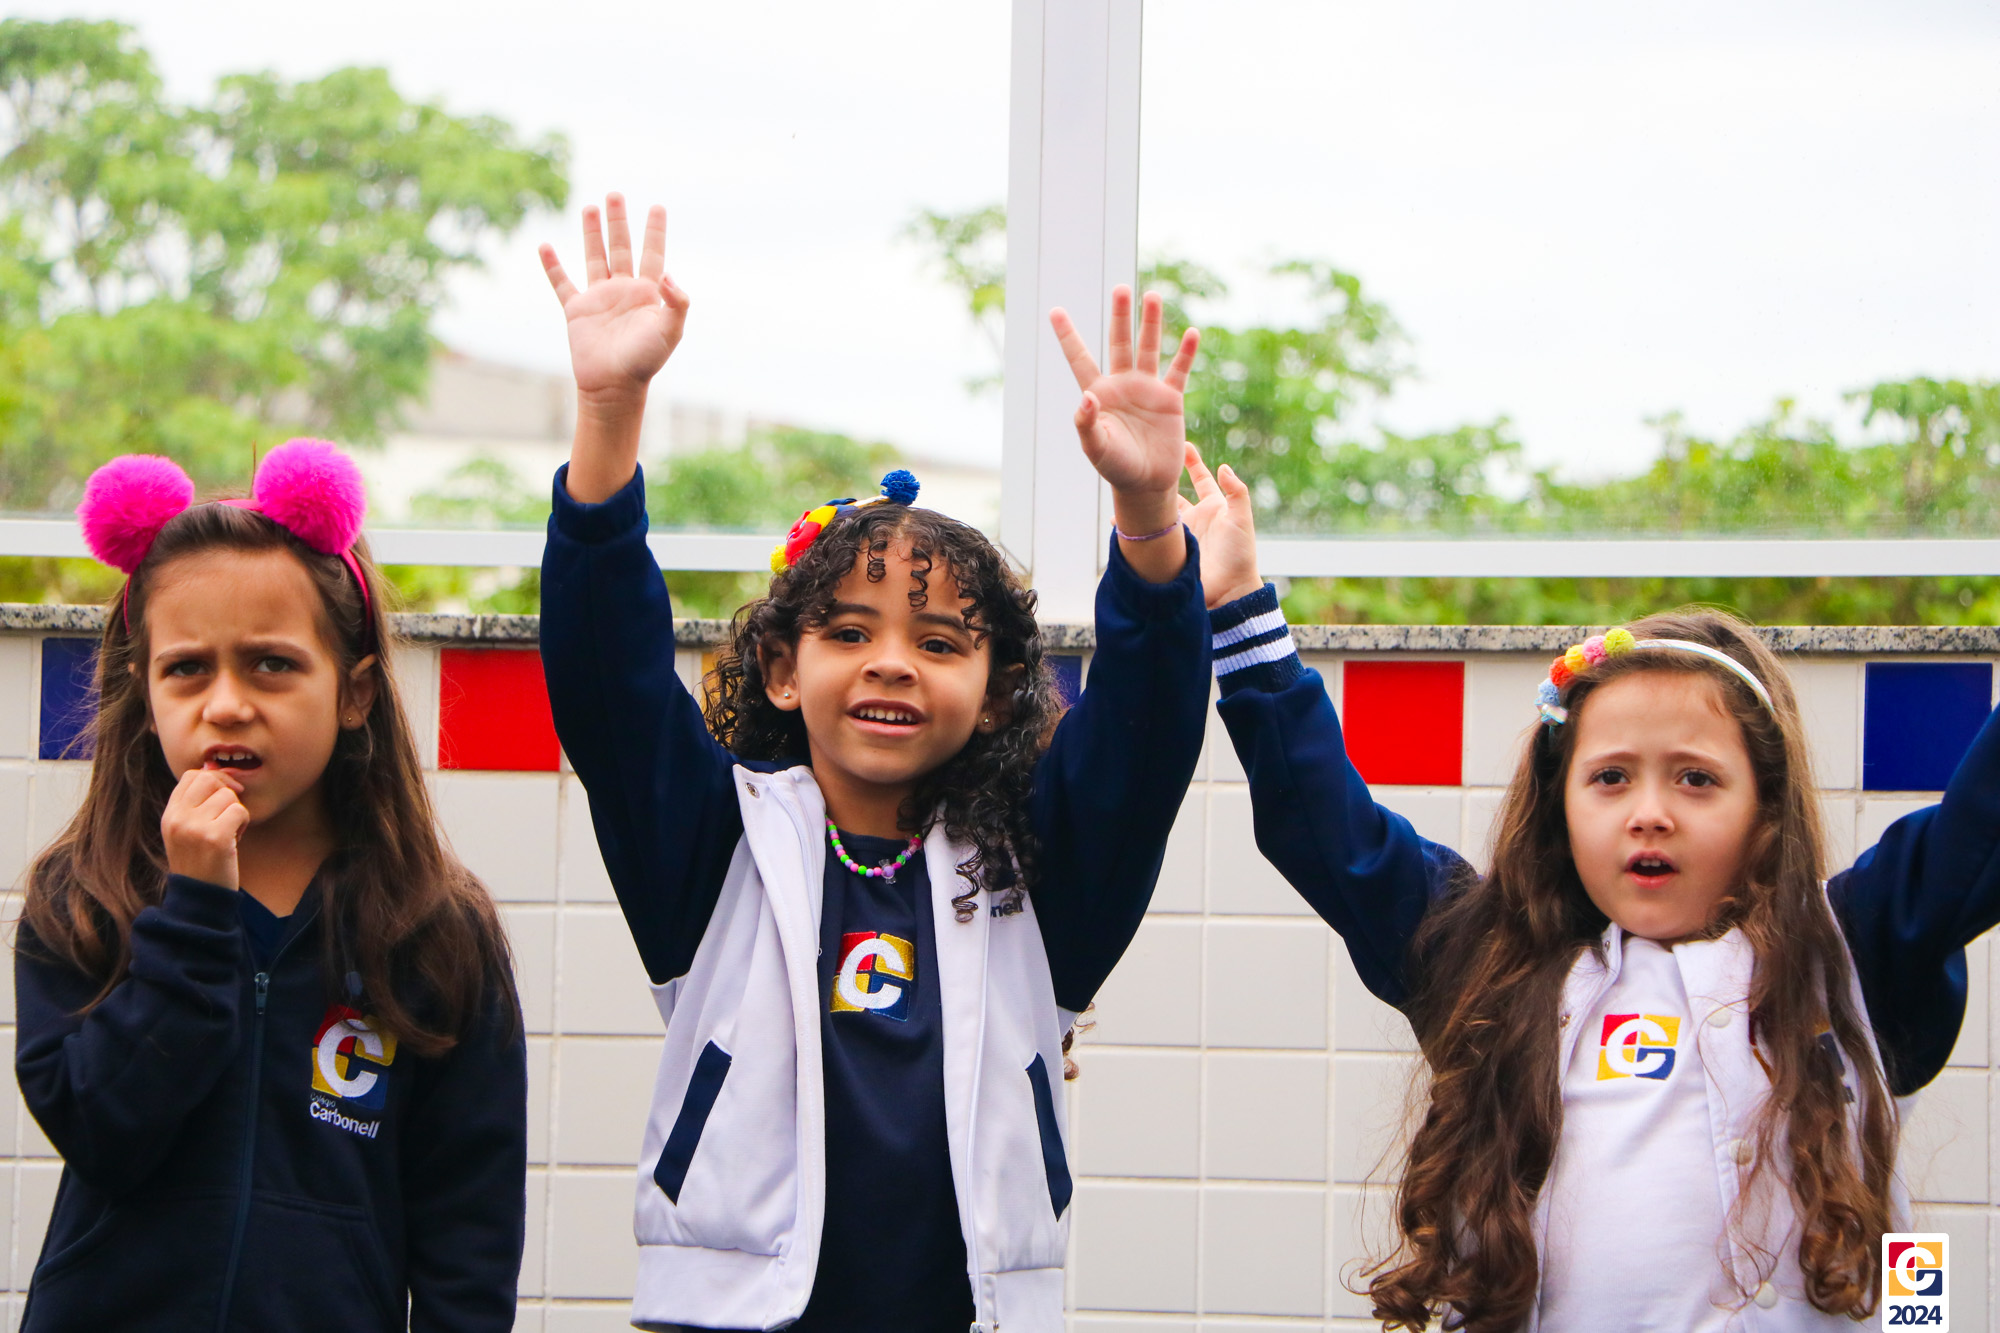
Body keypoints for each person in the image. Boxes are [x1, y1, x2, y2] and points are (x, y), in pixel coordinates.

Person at [537, 193, 1211, 1332]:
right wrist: (609, 415)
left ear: (997, 693)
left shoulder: (1033, 877)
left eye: (939, 643)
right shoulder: (714, 847)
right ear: (780, 668)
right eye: (849, 631)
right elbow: (609, 683)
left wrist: (1146, 510)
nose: (891, 661)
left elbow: (1144, 743)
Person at [1179, 444, 2000, 1331]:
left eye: (1696, 778)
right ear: (1560, 805)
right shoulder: (1493, 961)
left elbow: (1980, 826)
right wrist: (1236, 606)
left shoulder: (1848, 952)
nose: (1649, 813)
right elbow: (1329, 834)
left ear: (1766, 809)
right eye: (1610, 777)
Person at [15, 441, 526, 1332]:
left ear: (355, 693)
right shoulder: (86, 894)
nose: (226, 703)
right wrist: (195, 913)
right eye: (187, 668)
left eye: (271, 664)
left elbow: (469, 1236)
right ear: (145, 692)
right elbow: (104, 1132)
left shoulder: (434, 927)